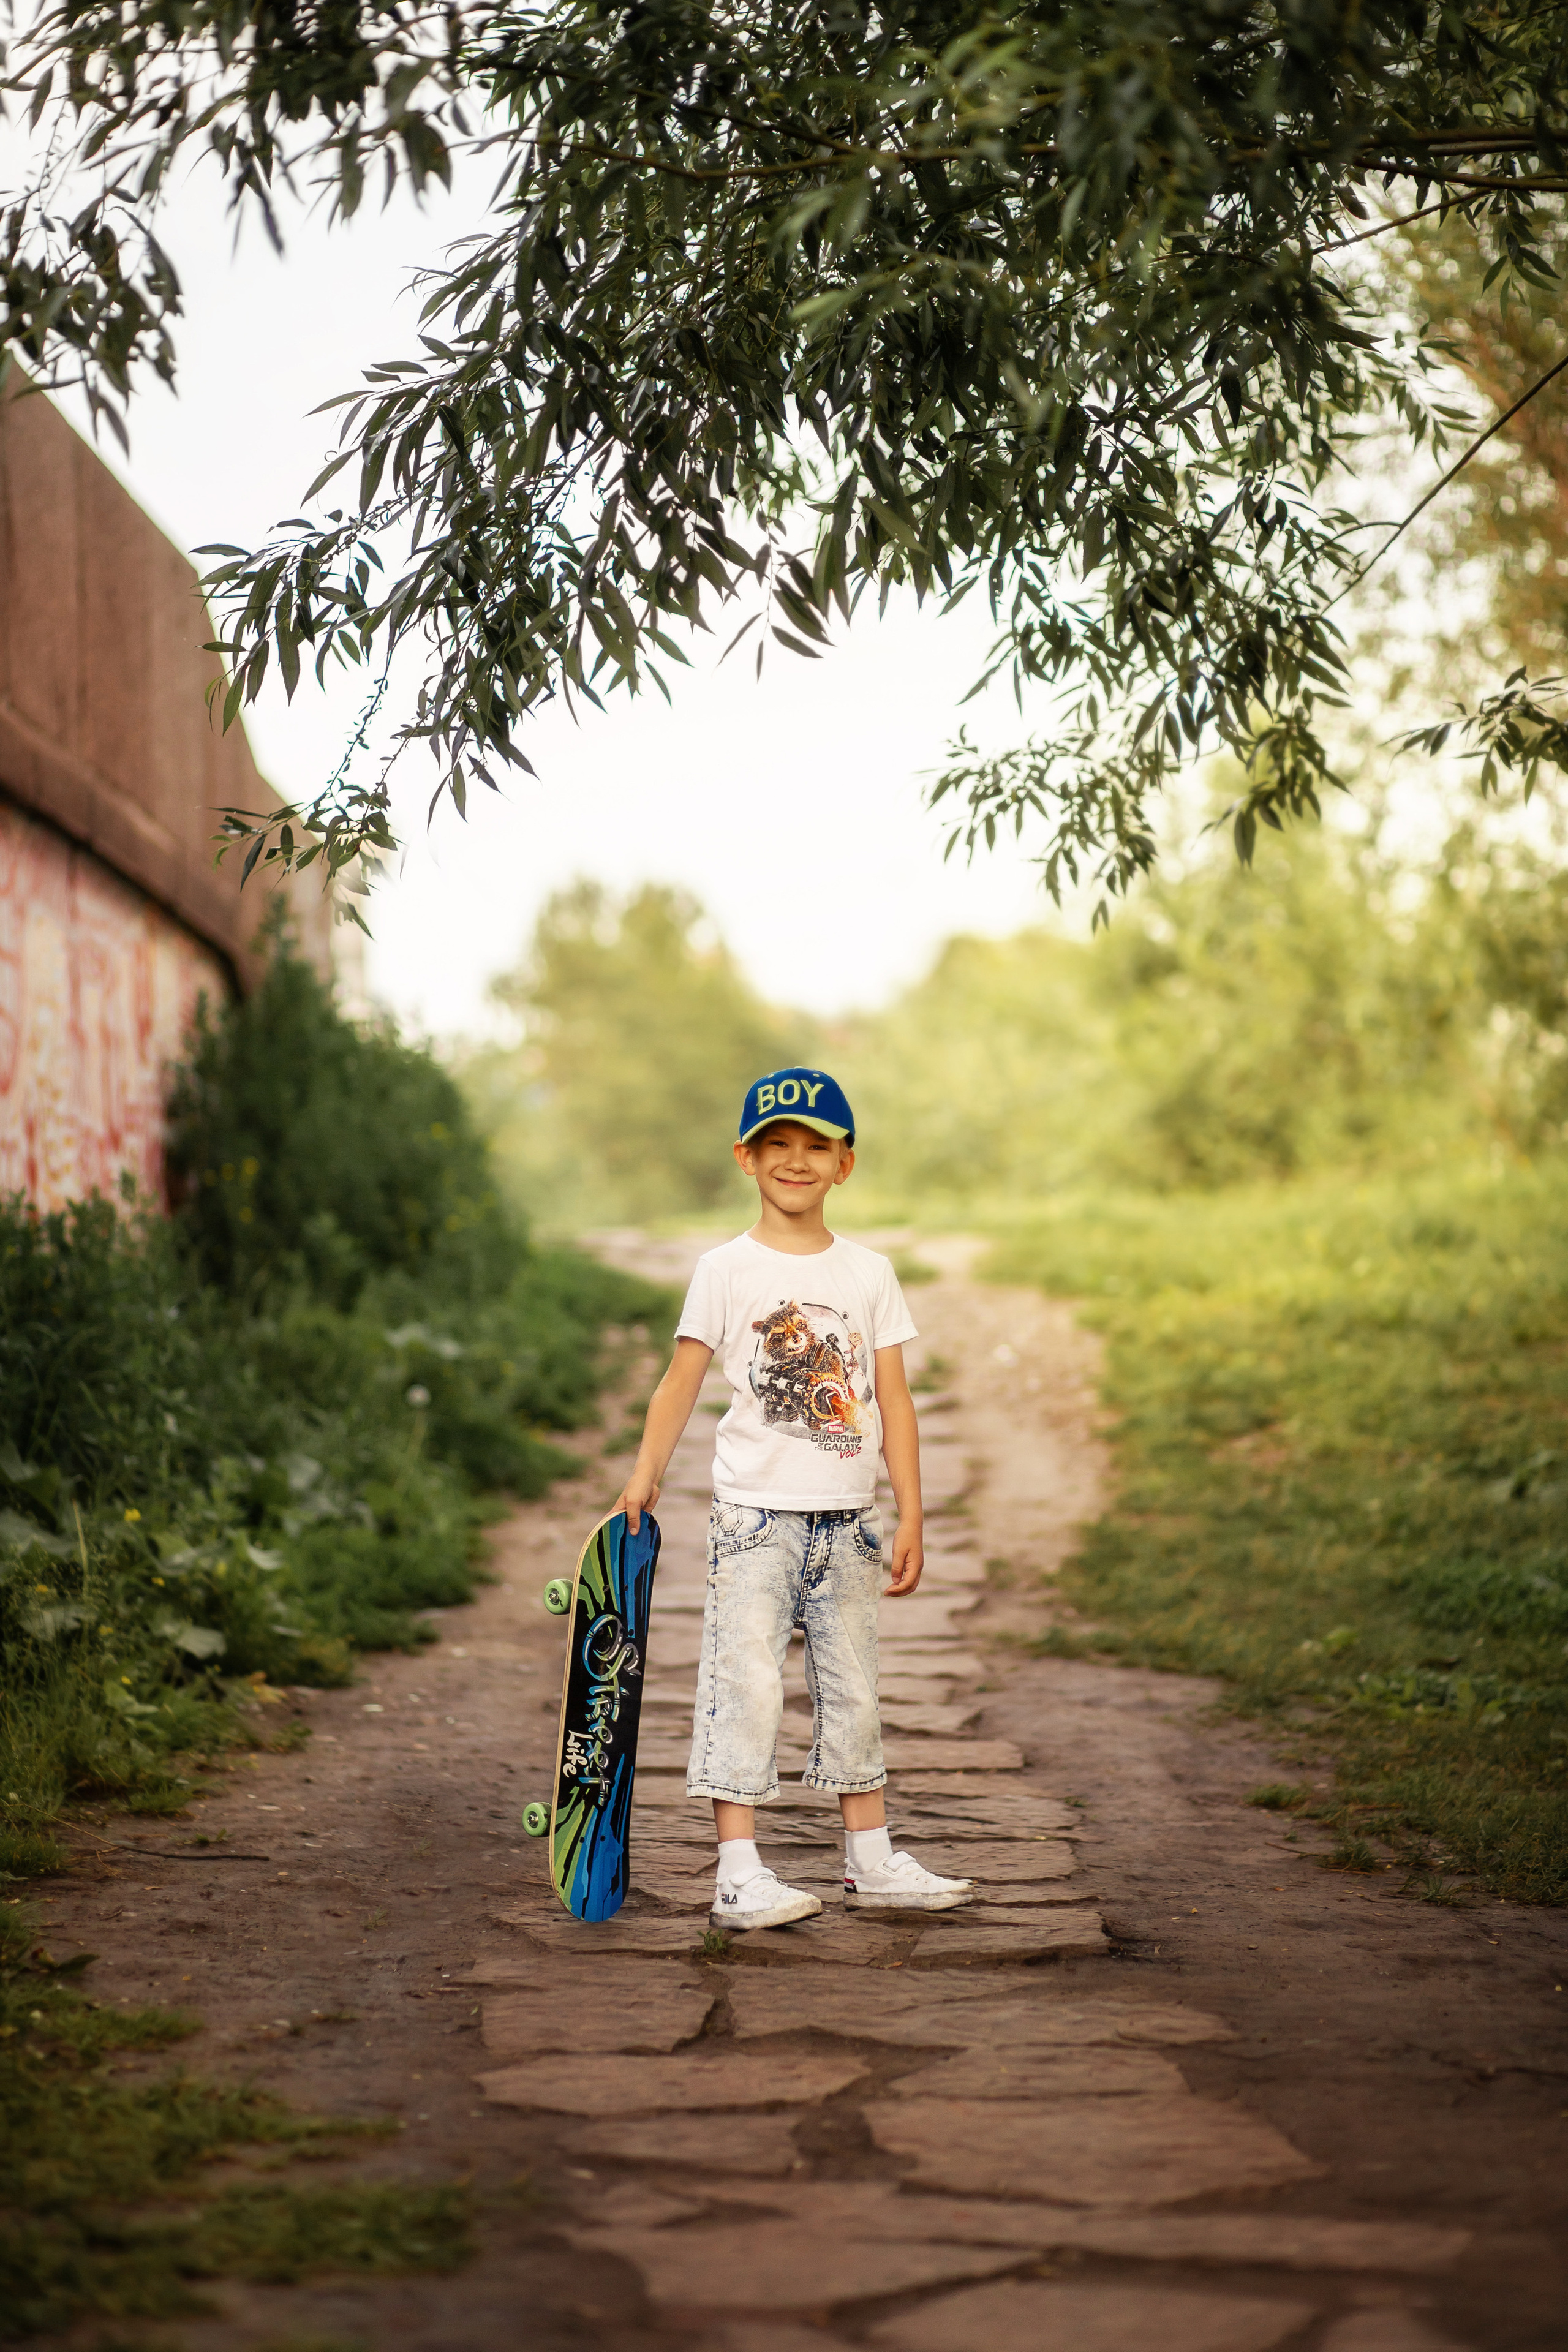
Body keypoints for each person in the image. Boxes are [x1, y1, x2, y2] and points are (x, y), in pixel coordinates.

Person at [615, 1067, 976, 1929]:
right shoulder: (724, 1269)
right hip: (754, 1521)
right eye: (777, 1143)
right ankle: (739, 1875)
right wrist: (646, 1471)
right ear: (746, 1158)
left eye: (818, 1146)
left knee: (855, 1690)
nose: (796, 1159)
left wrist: (912, 1510)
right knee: (744, 1686)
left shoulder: (869, 1272)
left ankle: (871, 1861)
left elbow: (894, 1399)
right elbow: (680, 1380)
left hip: (850, 1523)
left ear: (845, 1165)